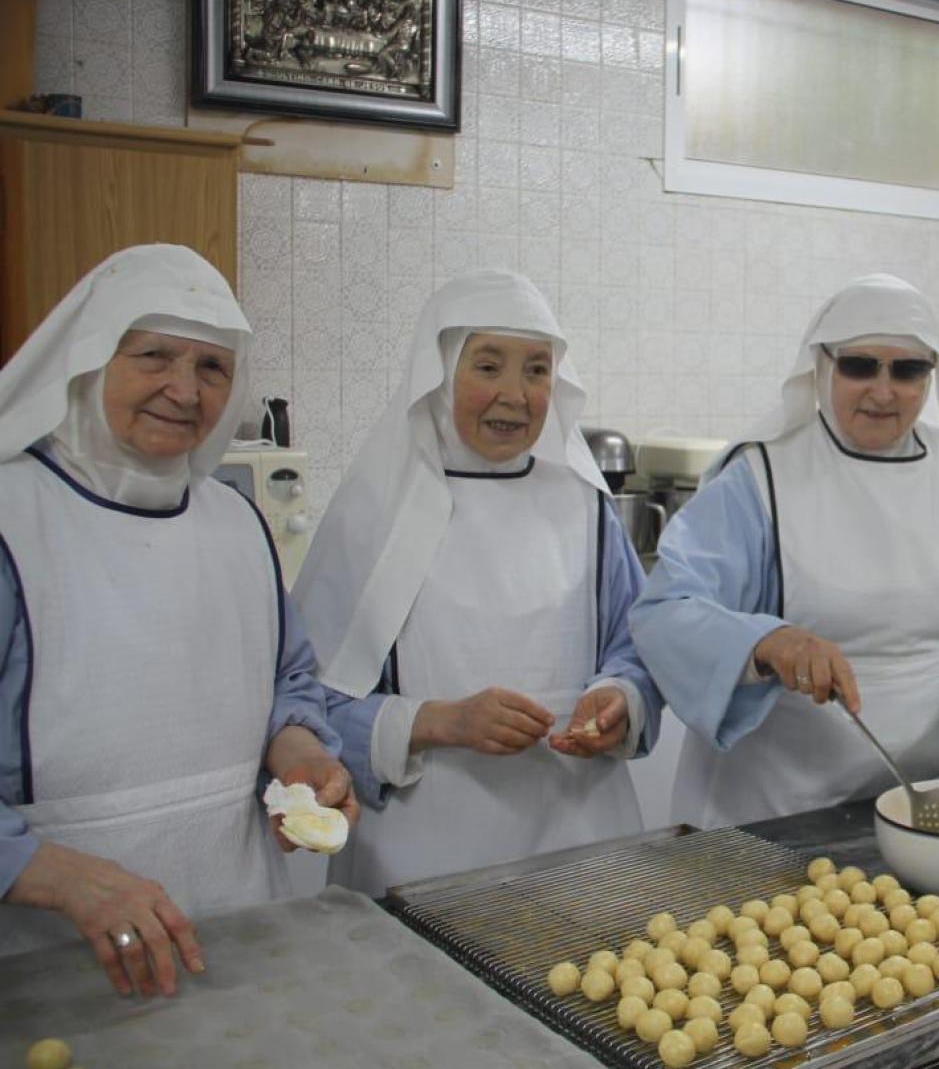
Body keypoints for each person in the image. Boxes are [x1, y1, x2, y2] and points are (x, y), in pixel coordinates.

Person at [0, 245, 353, 996]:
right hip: (48, 962)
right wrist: (50, 873)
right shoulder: (11, 520)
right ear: (90, 359)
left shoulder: (237, 524)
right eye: (153, 355)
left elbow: (287, 682)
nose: (184, 390)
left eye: (212, 368)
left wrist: (299, 755)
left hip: (239, 927)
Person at [630, 274, 939, 828]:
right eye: (860, 366)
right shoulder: (762, 475)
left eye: (908, 370)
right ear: (822, 367)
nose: (883, 391)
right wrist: (768, 641)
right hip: (775, 811)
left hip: (920, 803)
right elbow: (666, 610)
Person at [294, 270, 661, 896]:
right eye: (488, 367)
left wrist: (619, 701)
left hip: (582, 840)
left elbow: (640, 649)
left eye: (537, 370)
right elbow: (310, 705)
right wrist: (441, 722)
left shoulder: (584, 505)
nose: (515, 396)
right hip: (424, 855)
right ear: (438, 374)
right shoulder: (375, 513)